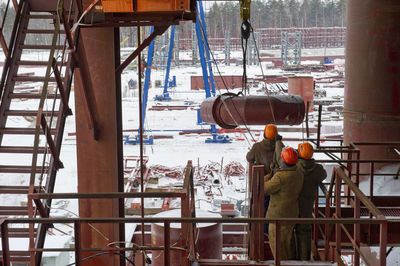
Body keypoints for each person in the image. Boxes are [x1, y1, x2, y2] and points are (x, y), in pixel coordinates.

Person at [264, 147, 304, 260]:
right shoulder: (298, 172)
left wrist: (267, 176)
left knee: (277, 247)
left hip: (278, 217)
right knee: (286, 245)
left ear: (283, 161)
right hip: (291, 215)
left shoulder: (280, 177)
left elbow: (264, 189)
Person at [246, 124, 284, 234]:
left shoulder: (257, 147)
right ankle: (271, 230)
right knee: (274, 207)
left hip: (262, 182)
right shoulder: (280, 147)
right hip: (277, 182)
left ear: (264, 134)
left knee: (262, 207)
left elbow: (249, 158)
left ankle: (263, 230)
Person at [293, 142, 327, 260]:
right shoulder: (318, 170)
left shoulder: (294, 167)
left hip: (293, 203)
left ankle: (292, 259)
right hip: (307, 205)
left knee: (290, 229)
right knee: (305, 231)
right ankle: (304, 259)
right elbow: (323, 175)